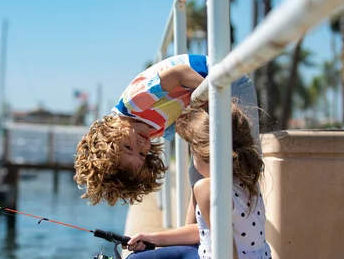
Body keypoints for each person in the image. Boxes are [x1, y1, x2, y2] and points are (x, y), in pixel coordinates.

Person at [95, 102, 286, 259]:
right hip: (205, 257)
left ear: (202, 153)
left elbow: (227, 246)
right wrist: (151, 238)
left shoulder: (206, 188)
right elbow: (199, 232)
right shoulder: (246, 179)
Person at [73, 54, 258, 207]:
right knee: (197, 173)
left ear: (109, 134)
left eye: (128, 147)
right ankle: (194, 234)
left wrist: (214, 102)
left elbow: (180, 73)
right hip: (213, 95)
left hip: (227, 83)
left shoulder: (135, 102)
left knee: (246, 159)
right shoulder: (146, 129)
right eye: (142, 154)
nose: (141, 145)